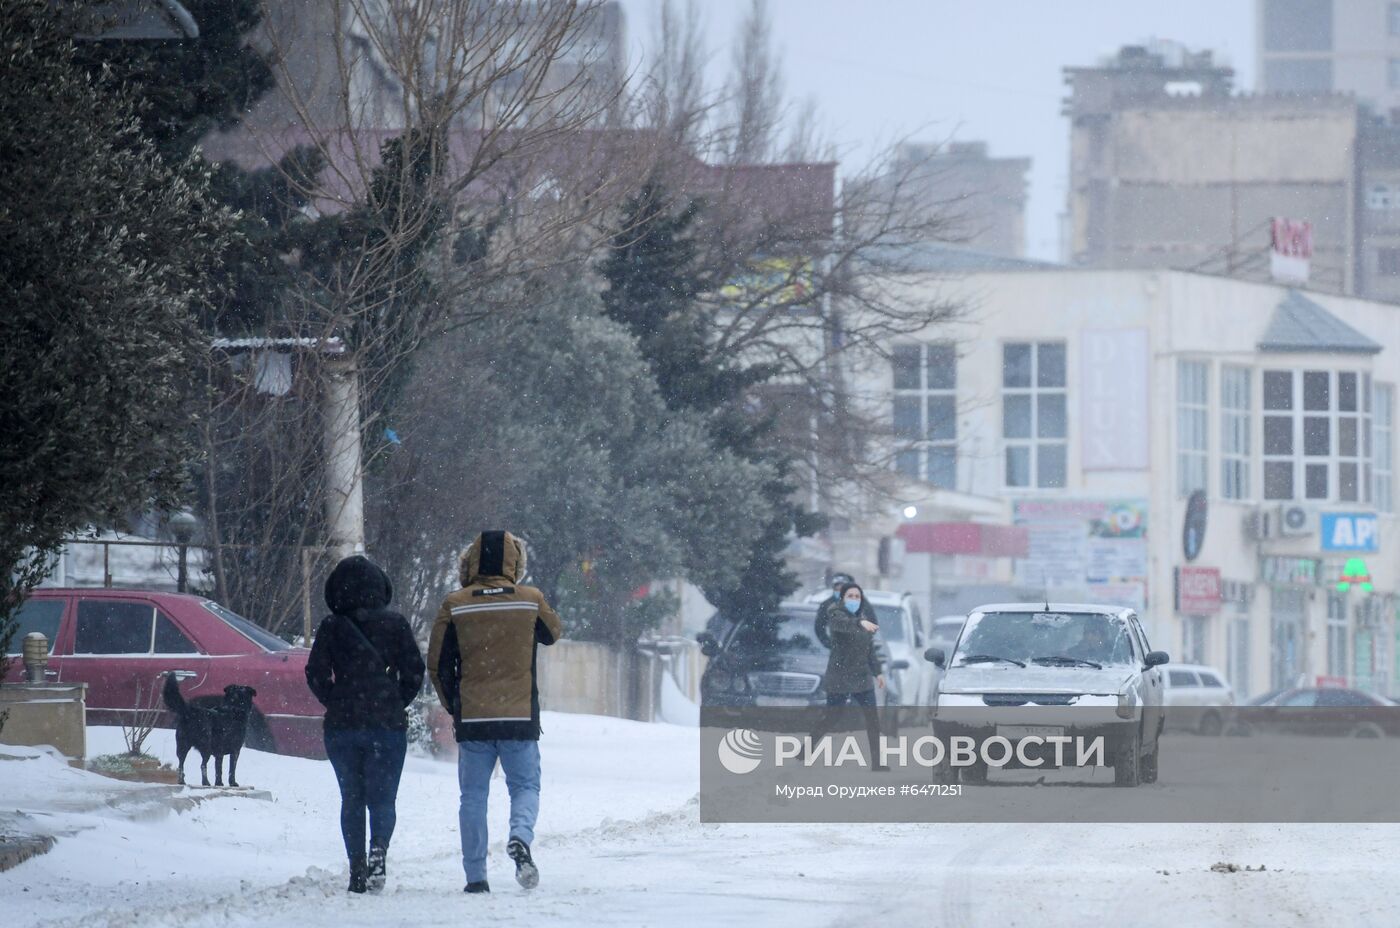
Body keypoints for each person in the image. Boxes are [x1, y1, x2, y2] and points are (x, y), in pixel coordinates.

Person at [427, 530, 563, 895]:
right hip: (519, 718)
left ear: (470, 561)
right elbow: (553, 633)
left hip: (473, 720)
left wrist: (454, 706)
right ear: (514, 562)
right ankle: (519, 836)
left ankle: (475, 877)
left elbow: (437, 664)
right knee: (525, 786)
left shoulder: (455, 603)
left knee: (472, 796)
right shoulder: (530, 599)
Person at [305, 555, 425, 895]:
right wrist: (394, 700)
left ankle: (357, 869)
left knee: (352, 798)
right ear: (380, 587)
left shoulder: (331, 626)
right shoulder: (397, 624)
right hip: (386, 726)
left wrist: (336, 699)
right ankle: (379, 852)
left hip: (342, 727)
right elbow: (415, 671)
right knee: (383, 799)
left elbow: (314, 673)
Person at [812, 582, 887, 770]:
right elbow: (842, 626)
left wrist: (878, 672)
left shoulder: (862, 616)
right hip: (840, 676)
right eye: (850, 596)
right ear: (842, 598)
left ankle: (877, 763)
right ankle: (807, 749)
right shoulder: (835, 613)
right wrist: (859, 622)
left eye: (857, 597)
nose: (854, 600)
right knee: (832, 717)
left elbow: (869, 651)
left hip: (862, 677)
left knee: (872, 719)